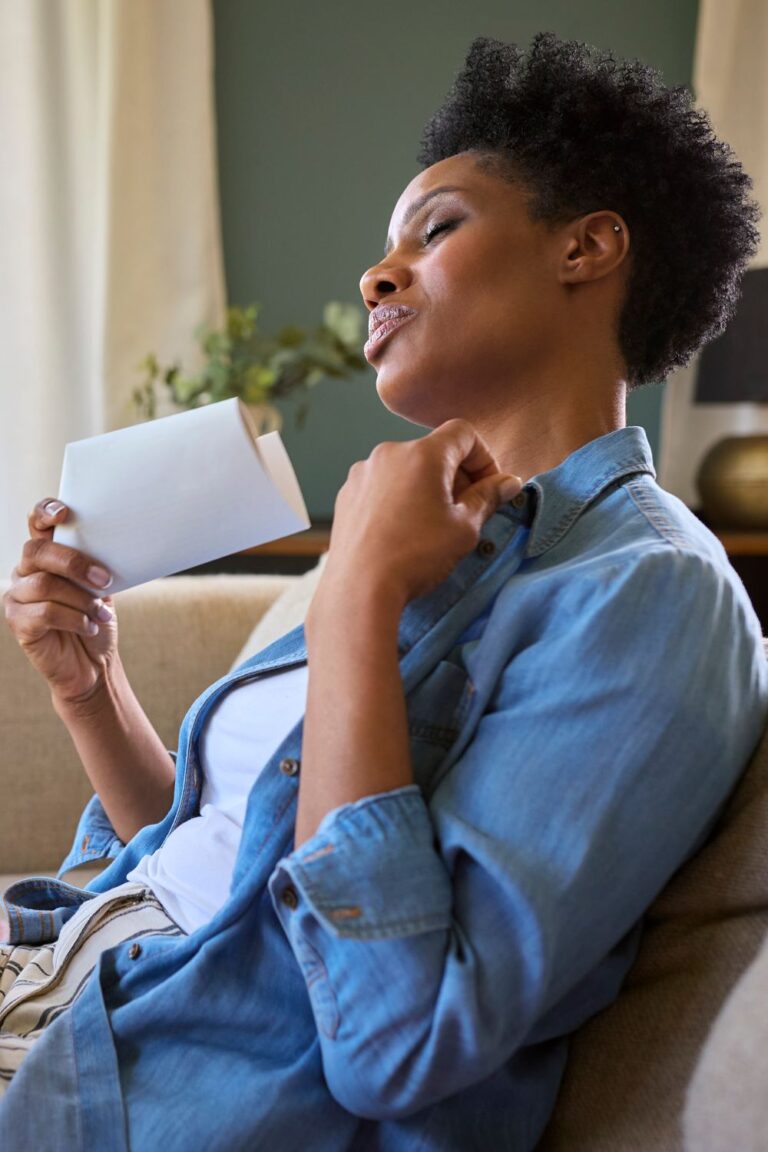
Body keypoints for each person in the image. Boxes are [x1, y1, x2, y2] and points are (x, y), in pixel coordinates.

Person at [1, 30, 767, 1152]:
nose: (376, 275)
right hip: (71, 987)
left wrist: (357, 587)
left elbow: (393, 1038)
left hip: (129, 1095)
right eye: (383, 249)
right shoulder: (429, 532)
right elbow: (221, 876)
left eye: (438, 227)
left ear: (588, 247)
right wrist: (91, 688)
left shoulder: (648, 592)